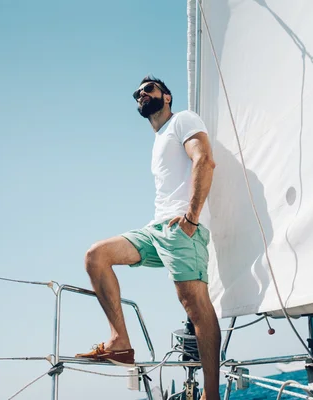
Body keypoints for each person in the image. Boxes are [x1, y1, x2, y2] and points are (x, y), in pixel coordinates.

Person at [75, 76, 221, 400]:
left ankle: (212, 395)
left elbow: (204, 160)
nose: (142, 94)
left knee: (194, 304)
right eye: (137, 93)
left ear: (166, 96)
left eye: (149, 89)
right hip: (155, 230)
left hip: (182, 228)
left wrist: (192, 218)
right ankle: (120, 343)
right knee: (95, 257)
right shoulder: (158, 139)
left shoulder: (183, 120)